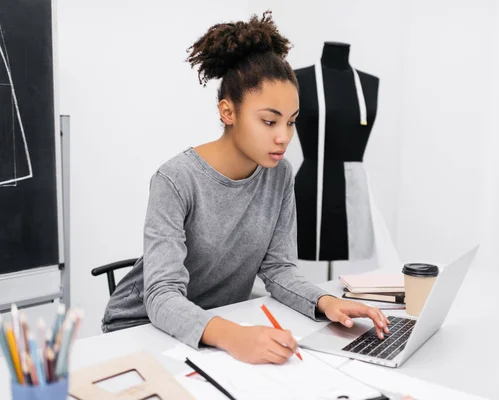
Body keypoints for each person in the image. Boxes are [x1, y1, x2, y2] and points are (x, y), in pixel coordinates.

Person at [101, 10, 390, 365]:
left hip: (218, 321)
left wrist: (325, 302)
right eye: (268, 121)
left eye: (291, 122)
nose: (283, 137)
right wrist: (234, 336)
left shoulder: (280, 175)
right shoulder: (175, 180)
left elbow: (279, 268)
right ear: (228, 112)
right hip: (139, 326)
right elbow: (161, 296)